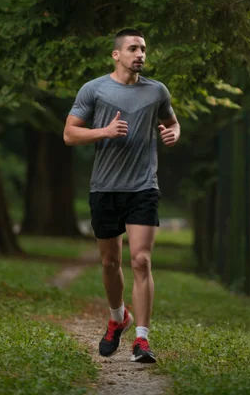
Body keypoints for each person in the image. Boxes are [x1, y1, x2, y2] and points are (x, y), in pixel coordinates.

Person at [63, 28, 180, 364]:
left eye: (143, 48)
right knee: (110, 262)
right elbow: (70, 134)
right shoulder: (94, 89)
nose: (140, 54)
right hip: (105, 187)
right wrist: (104, 131)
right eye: (133, 48)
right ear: (117, 55)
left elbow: (173, 123)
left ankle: (141, 341)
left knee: (141, 260)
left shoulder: (156, 91)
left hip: (143, 187)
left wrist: (172, 134)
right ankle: (118, 318)